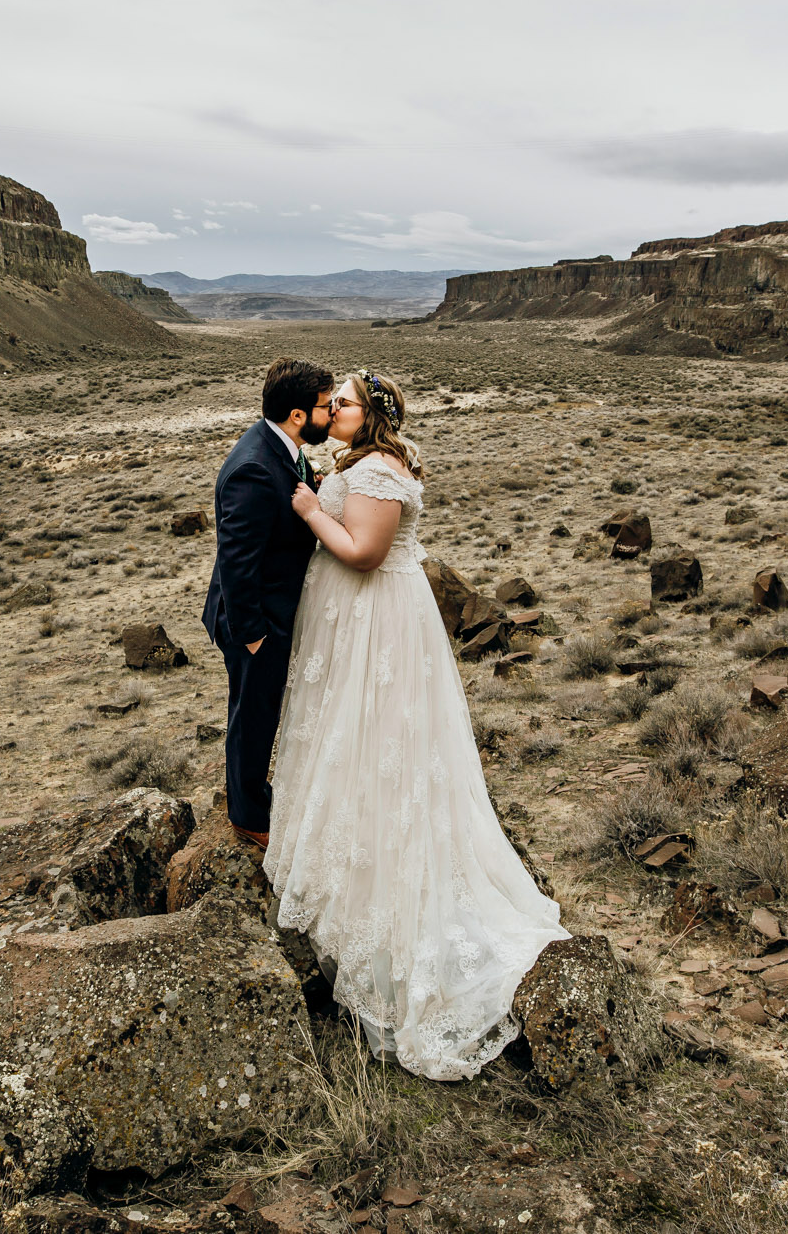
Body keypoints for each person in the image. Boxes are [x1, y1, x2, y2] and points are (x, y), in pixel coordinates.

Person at [265, 368, 569, 1081]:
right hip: (358, 622)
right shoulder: (363, 463)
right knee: (352, 749)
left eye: (340, 402)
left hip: (379, 628)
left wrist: (311, 508)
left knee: (382, 748)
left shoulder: (379, 470)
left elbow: (365, 554)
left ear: (369, 414)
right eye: (329, 400)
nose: (328, 409)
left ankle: (396, 932)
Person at [202, 358, 335, 849]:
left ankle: (251, 796)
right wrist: (253, 633)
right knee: (252, 715)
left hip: (270, 614)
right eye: (325, 406)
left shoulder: (281, 449)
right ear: (298, 415)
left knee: (259, 709)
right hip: (253, 621)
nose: (331, 412)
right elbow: (237, 561)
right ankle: (248, 815)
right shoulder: (255, 468)